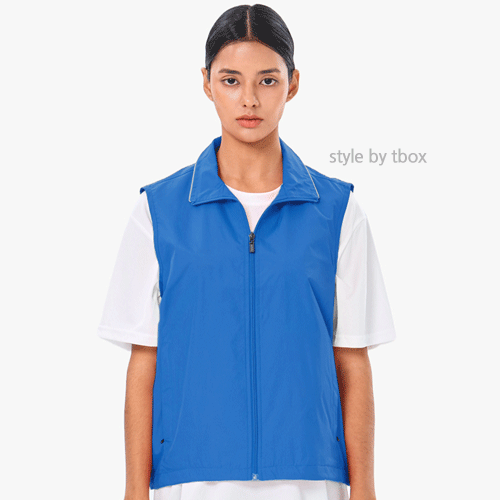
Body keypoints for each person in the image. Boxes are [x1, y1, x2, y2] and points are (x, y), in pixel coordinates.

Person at [97, 4, 396, 500]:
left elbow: (352, 362)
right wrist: (133, 492)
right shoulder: (158, 211)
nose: (249, 99)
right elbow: (144, 363)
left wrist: (364, 492)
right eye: (231, 80)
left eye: (268, 80)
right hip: (191, 480)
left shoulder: (338, 211)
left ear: (293, 84)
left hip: (307, 478)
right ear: (206, 83)